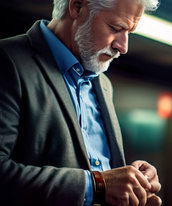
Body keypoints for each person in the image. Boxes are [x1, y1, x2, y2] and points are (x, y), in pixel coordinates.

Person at [0, 0, 162, 205]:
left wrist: (134, 183)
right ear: (77, 7)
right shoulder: (8, 60)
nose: (123, 46)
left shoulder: (103, 84)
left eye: (129, 32)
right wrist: (97, 185)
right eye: (116, 28)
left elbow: (104, 178)